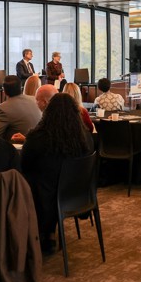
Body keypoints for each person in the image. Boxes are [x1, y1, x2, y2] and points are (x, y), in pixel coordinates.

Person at [21, 93, 94, 254]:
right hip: (76, 195)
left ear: (48, 112)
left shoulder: (38, 138)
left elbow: (24, 164)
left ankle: (41, 233)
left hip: (45, 197)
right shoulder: (85, 138)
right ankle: (50, 232)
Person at [0, 75, 42, 141]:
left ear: (4, 91)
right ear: (21, 87)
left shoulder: (3, 108)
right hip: (38, 142)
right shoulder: (34, 100)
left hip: (19, 145)